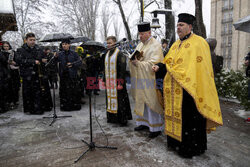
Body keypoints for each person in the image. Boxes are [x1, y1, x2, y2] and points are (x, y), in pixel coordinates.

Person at [152, 13, 223, 158]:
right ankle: (175, 143)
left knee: (190, 120)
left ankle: (190, 148)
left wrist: (174, 71)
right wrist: (160, 67)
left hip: (190, 90)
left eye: (181, 25)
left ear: (190, 27)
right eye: (178, 25)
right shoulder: (176, 44)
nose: (178, 28)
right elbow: (169, 63)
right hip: (174, 88)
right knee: (177, 117)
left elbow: (198, 69)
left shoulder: (199, 43)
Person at [130, 22, 164, 138]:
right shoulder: (140, 45)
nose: (140, 36)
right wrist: (133, 61)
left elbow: (155, 63)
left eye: (143, 34)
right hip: (140, 77)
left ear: (149, 33)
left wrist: (139, 64)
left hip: (150, 78)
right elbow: (137, 58)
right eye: (139, 34)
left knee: (151, 101)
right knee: (141, 100)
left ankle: (155, 127)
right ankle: (143, 123)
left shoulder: (156, 45)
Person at [16, 33, 50, 114]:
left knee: (38, 93)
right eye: (30, 40)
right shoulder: (20, 50)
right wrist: (32, 62)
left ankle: (38, 109)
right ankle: (29, 109)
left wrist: (43, 60)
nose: (32, 42)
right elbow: (19, 61)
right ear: (26, 40)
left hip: (38, 75)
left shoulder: (38, 49)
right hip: (27, 75)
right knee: (28, 93)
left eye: (34, 40)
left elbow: (41, 58)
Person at [103, 36, 132, 126]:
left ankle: (122, 119)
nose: (108, 45)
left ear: (115, 43)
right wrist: (104, 80)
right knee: (110, 100)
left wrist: (120, 83)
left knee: (120, 100)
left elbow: (122, 70)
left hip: (117, 82)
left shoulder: (120, 54)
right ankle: (112, 117)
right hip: (109, 82)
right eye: (107, 43)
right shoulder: (107, 54)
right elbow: (105, 68)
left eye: (110, 43)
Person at [57, 39, 82, 111]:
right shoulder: (60, 54)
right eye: (63, 44)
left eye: (65, 44)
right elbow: (53, 62)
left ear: (69, 45)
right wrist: (54, 57)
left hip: (72, 75)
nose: (64, 46)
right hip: (63, 76)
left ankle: (75, 106)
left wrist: (73, 64)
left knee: (73, 91)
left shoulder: (74, 53)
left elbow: (79, 62)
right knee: (64, 92)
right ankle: (65, 106)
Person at [1, 41, 20, 109]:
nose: (6, 48)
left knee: (15, 87)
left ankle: (15, 101)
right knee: (8, 88)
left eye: (7, 46)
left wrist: (15, 62)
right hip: (6, 73)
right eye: (4, 46)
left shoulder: (13, 52)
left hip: (14, 72)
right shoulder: (2, 53)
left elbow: (18, 60)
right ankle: (9, 101)